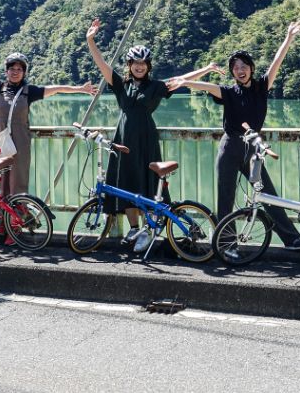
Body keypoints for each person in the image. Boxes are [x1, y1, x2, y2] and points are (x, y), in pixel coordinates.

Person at [168, 21, 300, 251]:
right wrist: (186, 82)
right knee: (225, 197)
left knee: (267, 193)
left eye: (244, 65)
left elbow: (276, 62)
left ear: (251, 68)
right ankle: (226, 244)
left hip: (253, 149)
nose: (240, 69)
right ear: (233, 72)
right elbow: (207, 87)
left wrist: (288, 38)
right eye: (235, 67)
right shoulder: (228, 92)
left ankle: (291, 239)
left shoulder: (261, 87)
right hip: (230, 147)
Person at [85, 18, 222, 253]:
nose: (139, 66)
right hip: (123, 138)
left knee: (146, 182)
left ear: (148, 65)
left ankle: (149, 231)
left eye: (143, 63)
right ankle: (134, 228)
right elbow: (103, 66)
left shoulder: (156, 86)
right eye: (135, 63)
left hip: (146, 138)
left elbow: (182, 81)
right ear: (129, 65)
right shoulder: (121, 84)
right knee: (127, 183)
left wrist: (207, 69)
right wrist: (90, 41)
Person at [0, 35, 97, 199]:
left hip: (20, 144)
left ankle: (16, 219)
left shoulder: (29, 91)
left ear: (24, 72)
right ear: (6, 71)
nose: (15, 72)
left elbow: (56, 89)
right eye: (12, 69)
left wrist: (80, 89)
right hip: (0, 142)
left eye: (19, 69)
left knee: (18, 182)